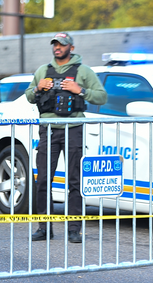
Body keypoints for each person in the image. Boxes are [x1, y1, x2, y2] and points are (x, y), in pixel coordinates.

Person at [25, 32, 107, 243]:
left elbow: (102, 96)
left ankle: (74, 229)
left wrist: (80, 90)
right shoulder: (43, 70)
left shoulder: (84, 71)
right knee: (42, 180)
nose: (57, 47)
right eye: (55, 44)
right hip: (48, 129)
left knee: (74, 181)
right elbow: (28, 96)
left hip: (73, 128)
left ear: (71, 47)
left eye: (61, 44)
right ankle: (44, 228)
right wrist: (37, 88)